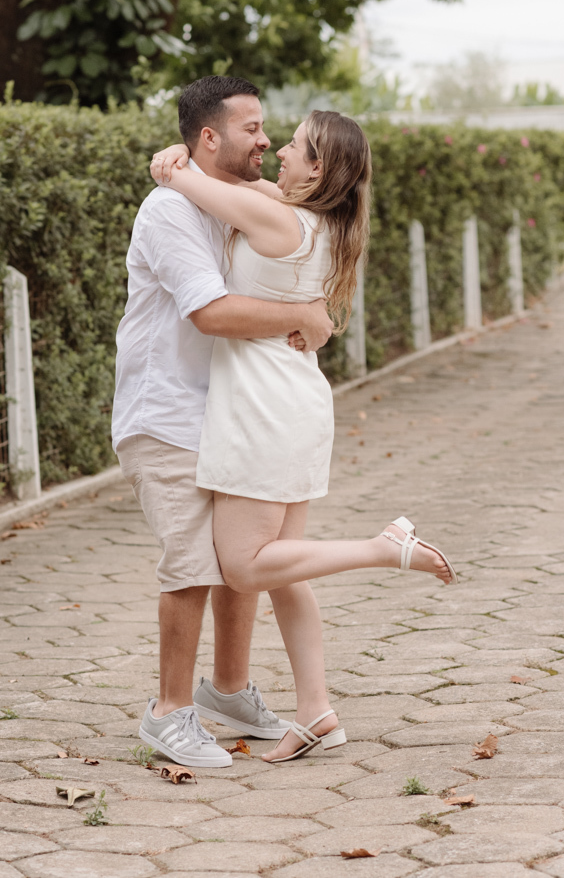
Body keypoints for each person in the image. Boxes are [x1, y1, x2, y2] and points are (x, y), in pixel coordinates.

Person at [150, 107, 458, 763]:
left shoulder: (280, 219)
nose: (279, 153)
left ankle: (383, 549)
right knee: (286, 574)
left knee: (245, 566)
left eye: (293, 146)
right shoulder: (318, 222)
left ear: (318, 168)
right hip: (295, 403)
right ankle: (317, 710)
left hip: (261, 410)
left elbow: (186, 181)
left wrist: (169, 163)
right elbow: (246, 188)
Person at [112, 76, 336, 769]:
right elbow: (210, 313)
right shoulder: (169, 213)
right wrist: (302, 316)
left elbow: (311, 218)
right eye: (251, 129)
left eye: (269, 130)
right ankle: (169, 712)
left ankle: (230, 692)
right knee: (190, 565)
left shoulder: (229, 200)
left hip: (229, 412)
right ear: (209, 137)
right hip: (168, 413)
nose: (266, 140)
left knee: (241, 560)